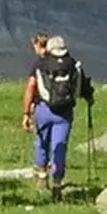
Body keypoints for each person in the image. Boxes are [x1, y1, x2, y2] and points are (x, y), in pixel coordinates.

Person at [21, 35, 94, 200]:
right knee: (59, 146)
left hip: (44, 110)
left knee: (41, 142)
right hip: (65, 113)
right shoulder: (73, 64)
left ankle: (41, 177)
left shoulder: (41, 63)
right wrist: (89, 98)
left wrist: (26, 112)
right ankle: (57, 184)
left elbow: (31, 86)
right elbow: (83, 86)